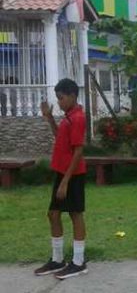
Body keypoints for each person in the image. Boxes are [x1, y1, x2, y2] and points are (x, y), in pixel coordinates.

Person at [35, 79, 88, 280]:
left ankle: (78, 262)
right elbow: (61, 138)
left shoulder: (78, 118)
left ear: (73, 95)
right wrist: (50, 118)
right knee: (53, 214)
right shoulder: (68, 117)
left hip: (73, 175)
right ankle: (57, 260)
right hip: (62, 172)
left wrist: (65, 182)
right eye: (57, 98)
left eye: (61, 98)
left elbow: (78, 152)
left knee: (75, 214)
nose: (59, 102)